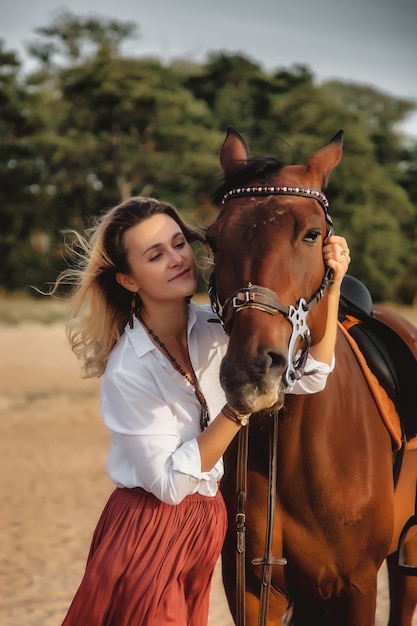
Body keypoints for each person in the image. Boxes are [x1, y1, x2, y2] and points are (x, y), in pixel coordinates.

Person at [60, 196, 350, 626]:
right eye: (155, 255)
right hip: (149, 528)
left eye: (179, 244)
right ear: (128, 280)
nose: (177, 259)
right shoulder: (130, 368)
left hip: (204, 528)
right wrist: (237, 409)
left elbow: (310, 375)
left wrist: (334, 281)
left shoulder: (216, 330)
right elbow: (170, 485)